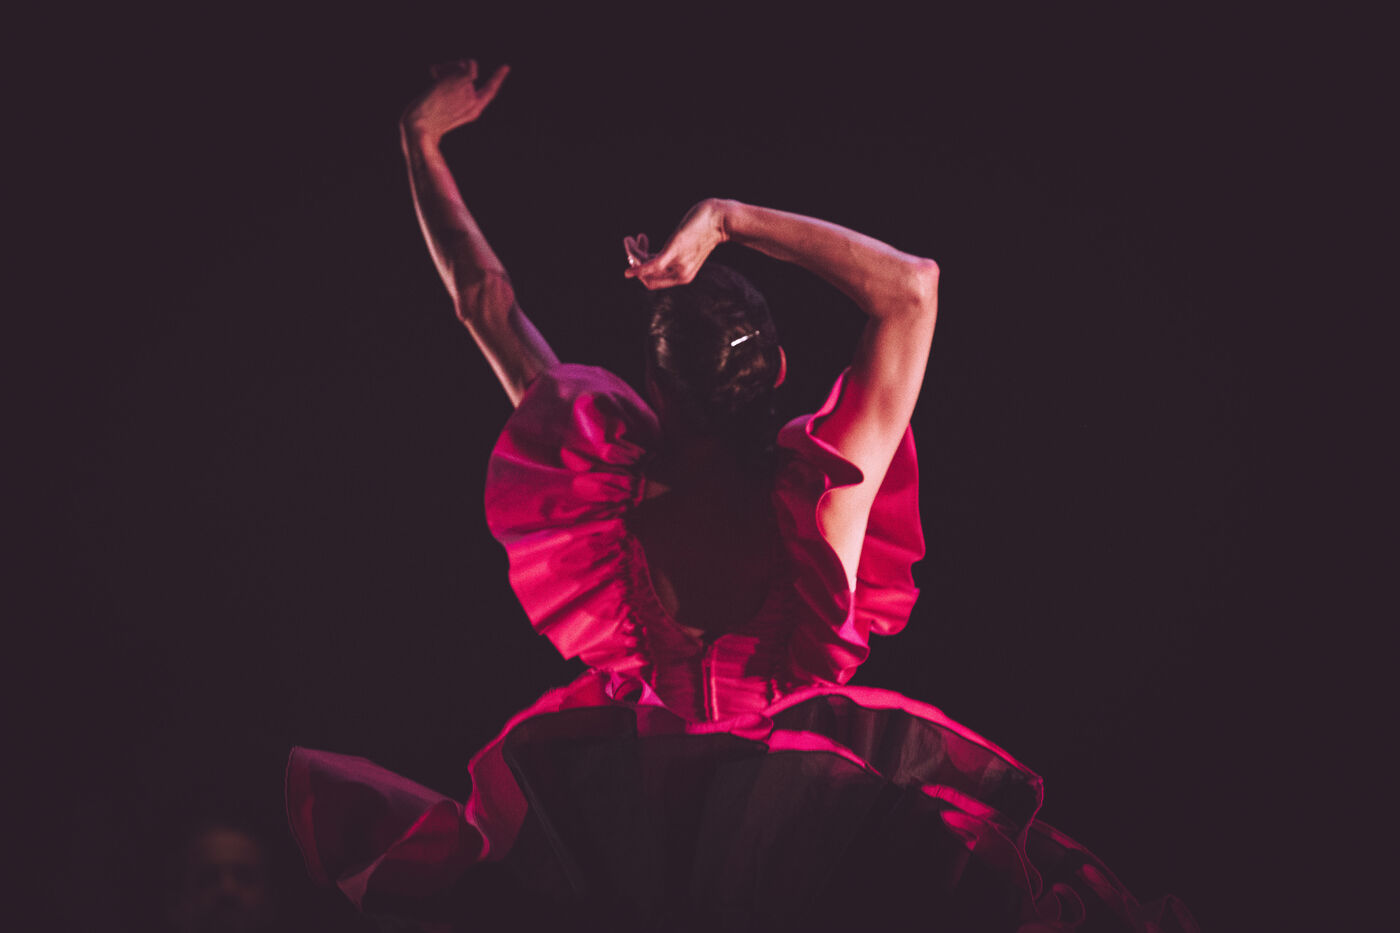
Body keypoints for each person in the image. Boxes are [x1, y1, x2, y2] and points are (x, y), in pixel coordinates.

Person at [285, 60, 1198, 933]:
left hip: (625, 836)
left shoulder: (604, 489)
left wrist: (420, 142)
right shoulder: (823, 497)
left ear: (654, 382)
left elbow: (484, 303)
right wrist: (726, 220)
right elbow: (912, 288)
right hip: (814, 833)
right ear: (780, 370)